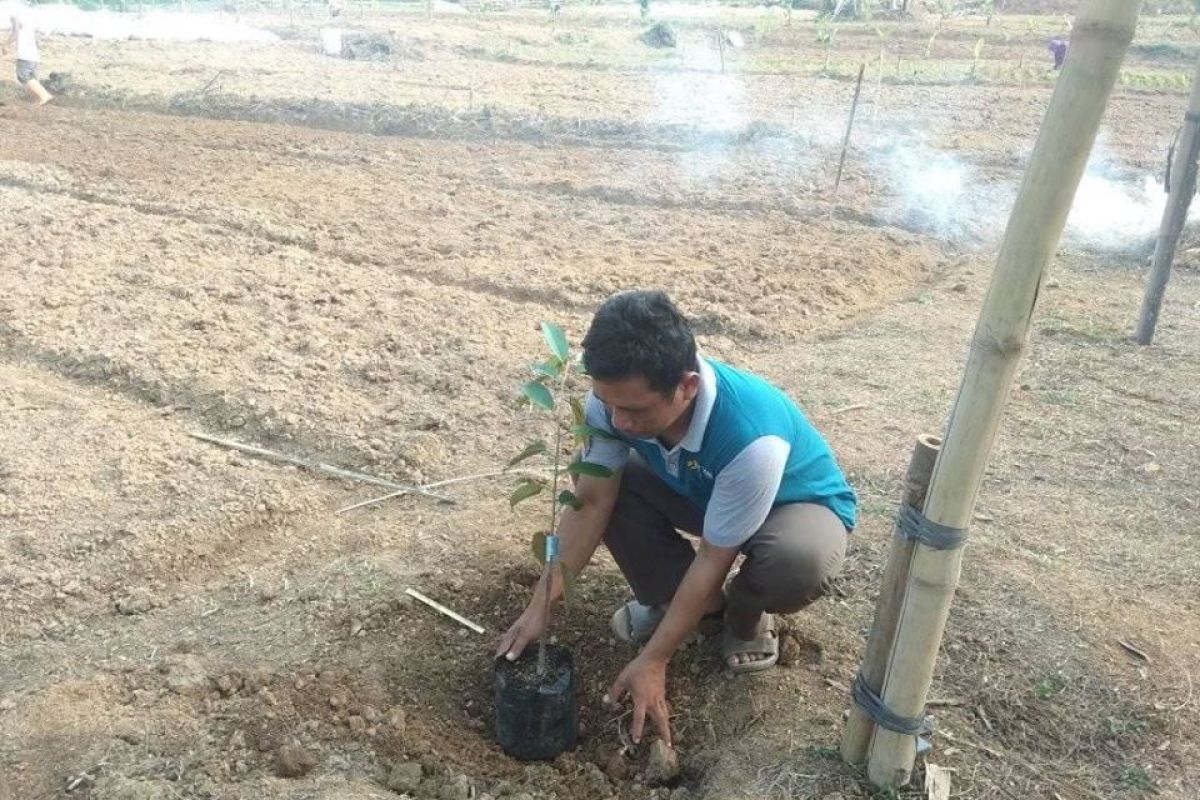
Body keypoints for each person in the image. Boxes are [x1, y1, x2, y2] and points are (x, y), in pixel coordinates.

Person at [496, 290, 856, 747]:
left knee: (796, 562)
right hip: (700, 489)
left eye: (635, 409)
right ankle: (696, 611)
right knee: (611, 482)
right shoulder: (612, 404)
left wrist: (654, 659)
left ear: (686, 386)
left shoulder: (750, 436)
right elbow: (590, 502)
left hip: (790, 507)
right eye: (610, 405)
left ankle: (745, 619)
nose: (619, 420)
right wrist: (539, 606)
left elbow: (713, 556)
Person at [5, 3, 52, 106]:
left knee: (23, 76)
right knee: (32, 77)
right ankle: (40, 98)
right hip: (33, 51)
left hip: (25, 52)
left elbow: (15, 32)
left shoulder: (14, 11)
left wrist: (5, 44)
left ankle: (44, 95)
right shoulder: (27, 11)